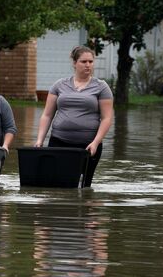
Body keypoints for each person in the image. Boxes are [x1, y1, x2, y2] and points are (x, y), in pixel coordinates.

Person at [34, 45, 114, 187]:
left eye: (91, 61)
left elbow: (107, 118)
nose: (88, 65)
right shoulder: (59, 85)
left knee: (84, 186)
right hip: (59, 141)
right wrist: (40, 140)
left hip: (88, 145)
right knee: (55, 183)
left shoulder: (101, 87)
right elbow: (47, 115)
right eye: (84, 62)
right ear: (74, 63)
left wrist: (96, 142)